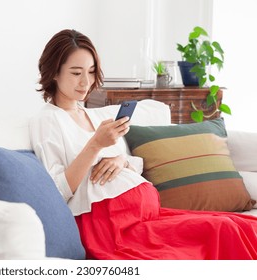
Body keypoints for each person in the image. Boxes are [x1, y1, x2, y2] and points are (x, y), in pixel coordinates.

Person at [29, 29, 257, 260]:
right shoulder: (48, 119)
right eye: (76, 73)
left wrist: (121, 161)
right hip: (113, 227)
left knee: (244, 226)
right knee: (223, 230)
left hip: (144, 213)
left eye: (90, 71)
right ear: (54, 73)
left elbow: (136, 164)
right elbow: (57, 191)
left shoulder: (95, 116)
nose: (86, 82)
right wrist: (95, 146)